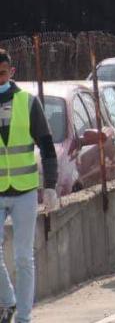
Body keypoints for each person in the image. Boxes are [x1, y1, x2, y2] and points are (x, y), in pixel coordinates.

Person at [0, 48, 59, 323]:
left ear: (11, 72)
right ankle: (9, 301)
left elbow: (47, 145)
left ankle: (24, 318)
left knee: (24, 258)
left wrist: (51, 185)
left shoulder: (28, 102)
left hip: (23, 191)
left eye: (1, 72)